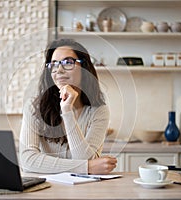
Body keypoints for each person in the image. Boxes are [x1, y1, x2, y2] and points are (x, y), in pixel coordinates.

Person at [19, 38, 117, 174]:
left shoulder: (98, 111)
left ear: (84, 68)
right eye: (54, 64)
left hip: (82, 191)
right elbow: (28, 161)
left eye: (68, 62)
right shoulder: (34, 107)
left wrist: (67, 111)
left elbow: (84, 158)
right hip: (43, 191)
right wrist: (87, 167)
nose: (59, 70)